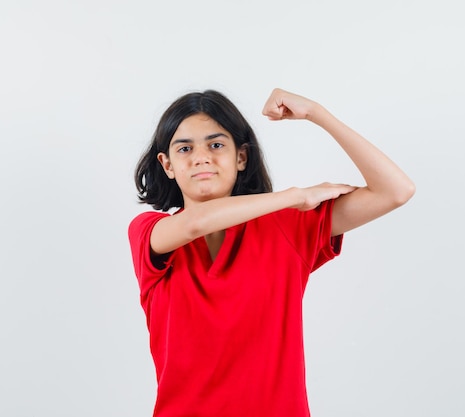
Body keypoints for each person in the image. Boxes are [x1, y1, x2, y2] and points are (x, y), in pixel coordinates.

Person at [128, 88, 415, 417]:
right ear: (166, 164)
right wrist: (295, 196)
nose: (201, 157)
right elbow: (196, 223)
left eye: (216, 144)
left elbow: (396, 190)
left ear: (242, 157)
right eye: (185, 148)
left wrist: (317, 114)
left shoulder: (287, 228)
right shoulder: (149, 232)